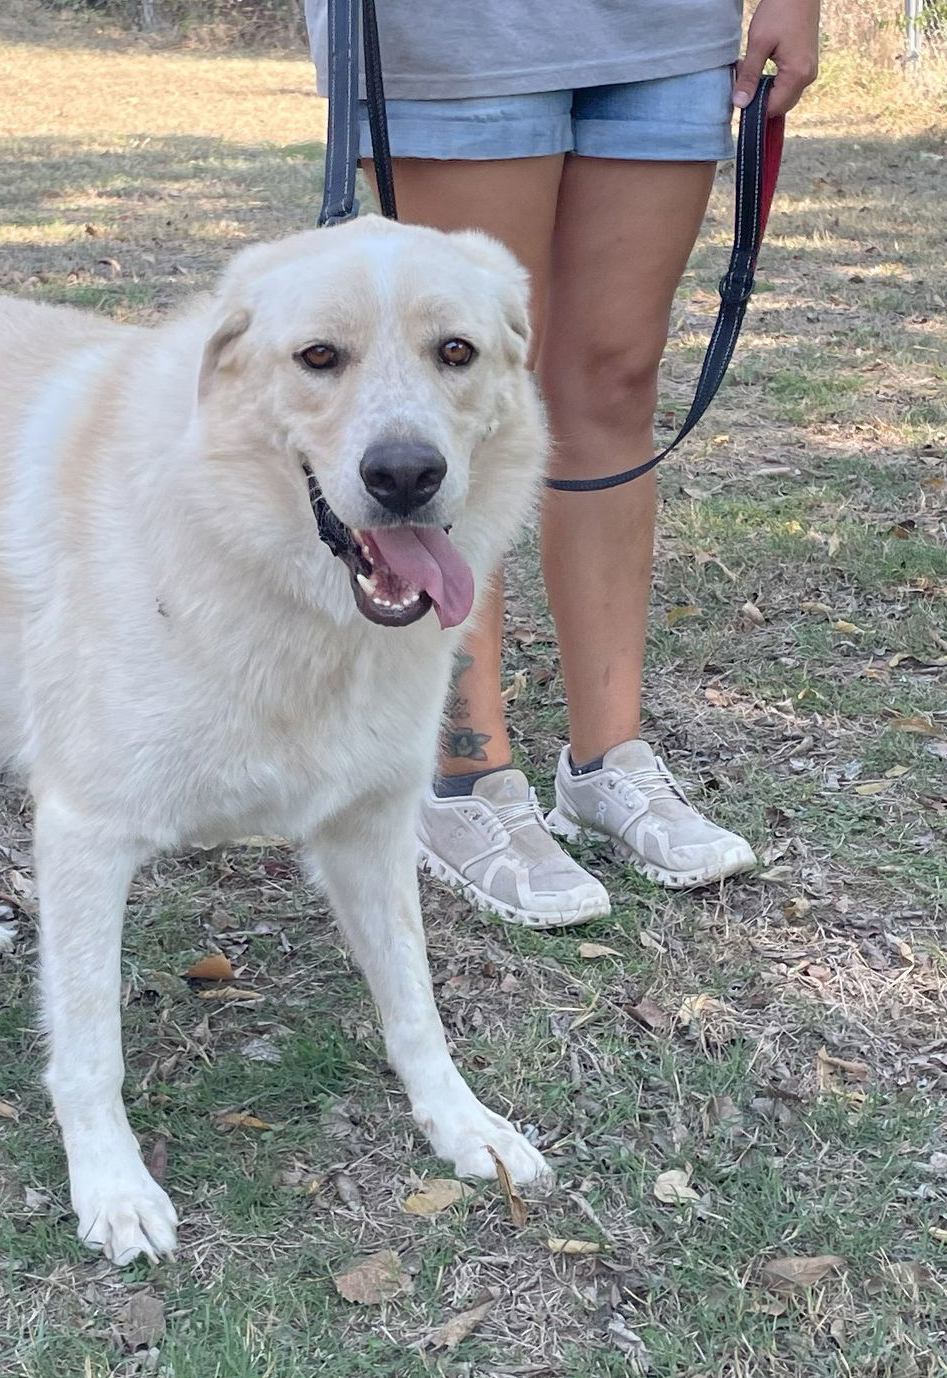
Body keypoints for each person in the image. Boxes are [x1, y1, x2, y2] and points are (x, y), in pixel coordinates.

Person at [304, 0, 820, 927]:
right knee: (462, 397)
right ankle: (463, 778)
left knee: (616, 384)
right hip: (461, 29)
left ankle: (605, 761)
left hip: (667, 27)